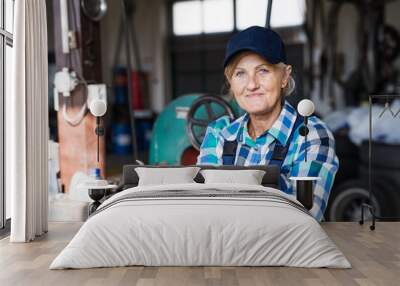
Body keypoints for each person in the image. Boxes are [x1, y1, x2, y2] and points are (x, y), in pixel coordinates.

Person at [197, 26, 339, 221]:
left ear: (284, 76)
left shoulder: (311, 135)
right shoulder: (219, 133)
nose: (252, 84)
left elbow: (303, 218)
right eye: (240, 73)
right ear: (230, 81)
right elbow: (204, 210)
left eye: (263, 70)